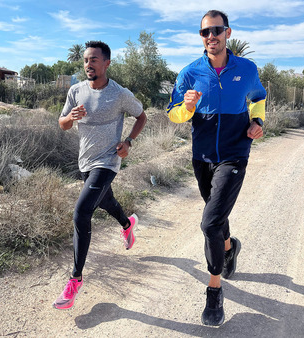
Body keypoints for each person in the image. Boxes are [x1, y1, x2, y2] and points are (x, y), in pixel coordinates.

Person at [167, 10, 266, 326]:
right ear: (201, 37)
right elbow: (173, 114)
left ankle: (214, 289)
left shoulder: (246, 68)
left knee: (209, 223)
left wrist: (257, 121)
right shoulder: (190, 73)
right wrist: (188, 107)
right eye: (205, 32)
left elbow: (258, 97)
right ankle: (229, 247)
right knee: (217, 214)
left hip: (235, 154)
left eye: (216, 30)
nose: (211, 36)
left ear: (227, 32)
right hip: (203, 156)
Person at [53, 40, 147, 310]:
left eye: (94, 60)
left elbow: (141, 116)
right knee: (105, 202)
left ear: (106, 63)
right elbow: (62, 125)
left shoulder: (118, 93)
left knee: (82, 211)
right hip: (85, 161)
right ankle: (127, 224)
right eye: (85, 60)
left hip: (108, 161)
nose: (88, 65)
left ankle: (75, 279)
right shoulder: (76, 90)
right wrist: (70, 117)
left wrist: (128, 142)